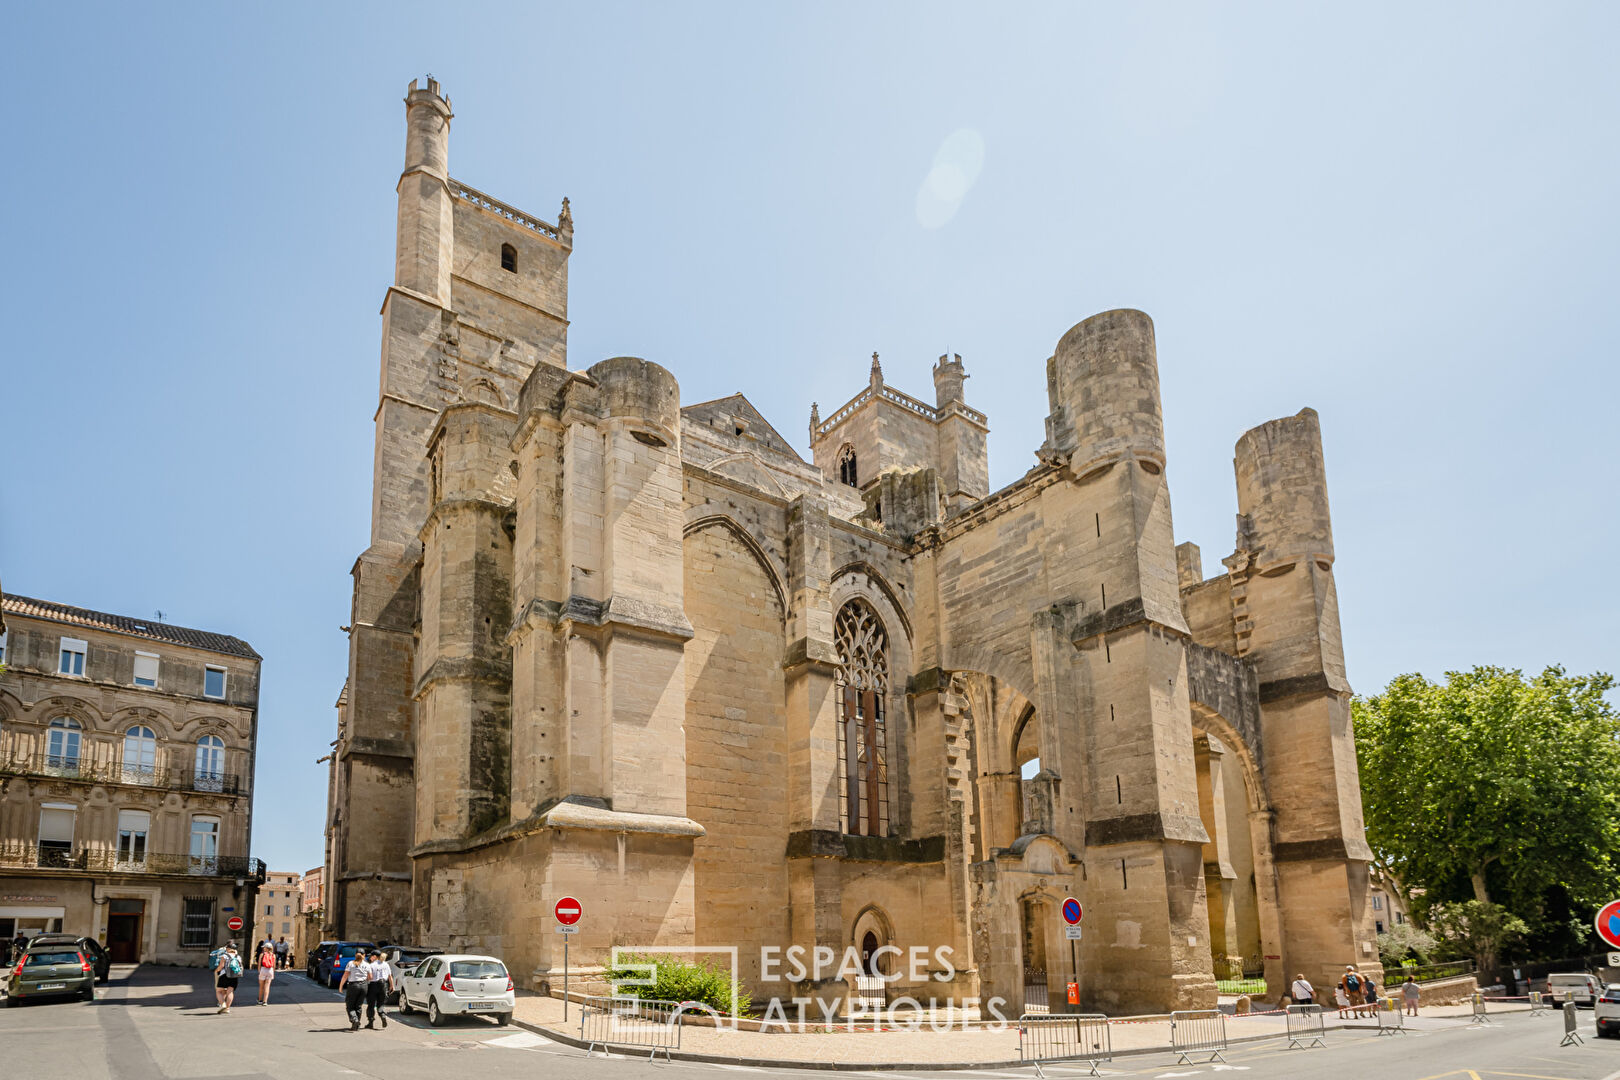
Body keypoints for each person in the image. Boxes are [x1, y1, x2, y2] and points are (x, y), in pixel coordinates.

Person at [337, 949, 371, 1031]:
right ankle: (356, 1026)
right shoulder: (367, 965)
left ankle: (355, 1020)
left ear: (355, 955)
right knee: (358, 1006)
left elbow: (345, 975)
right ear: (364, 955)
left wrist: (341, 986)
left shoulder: (350, 963)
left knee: (350, 1006)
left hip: (353, 986)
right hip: (364, 986)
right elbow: (370, 977)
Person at [363, 949, 392, 1029]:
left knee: (371, 1005)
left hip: (373, 985)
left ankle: (370, 1022)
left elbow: (369, 977)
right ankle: (382, 1014)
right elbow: (390, 976)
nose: (370, 958)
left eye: (371, 956)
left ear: (375, 957)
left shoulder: (371, 965)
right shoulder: (386, 964)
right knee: (381, 1003)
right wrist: (391, 986)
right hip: (383, 985)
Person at [214, 942, 243, 1013]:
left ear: (228, 949)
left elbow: (221, 966)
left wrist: (216, 971)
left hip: (225, 975)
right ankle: (227, 1009)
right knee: (230, 992)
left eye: (226, 948)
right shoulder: (238, 957)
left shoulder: (225, 956)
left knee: (219, 991)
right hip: (234, 975)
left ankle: (223, 1004)